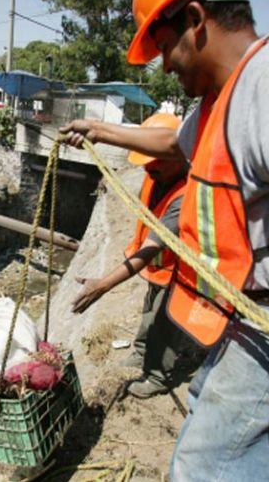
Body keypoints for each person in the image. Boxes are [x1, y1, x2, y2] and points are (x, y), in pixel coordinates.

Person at [59, 0, 269, 481]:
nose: (163, 63)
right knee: (206, 405)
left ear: (195, 20)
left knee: (204, 470)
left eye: (162, 45)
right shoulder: (225, 100)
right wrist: (101, 130)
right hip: (259, 314)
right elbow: (178, 143)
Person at [72, 113, 203, 399]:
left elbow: (152, 248)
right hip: (159, 269)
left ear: (176, 154)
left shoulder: (186, 196)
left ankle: (158, 376)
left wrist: (104, 284)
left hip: (179, 273)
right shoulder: (158, 176)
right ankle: (142, 351)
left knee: (166, 322)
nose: (149, 170)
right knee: (149, 312)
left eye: (155, 163)